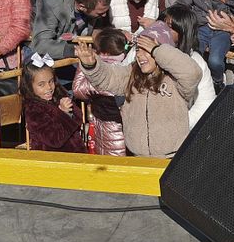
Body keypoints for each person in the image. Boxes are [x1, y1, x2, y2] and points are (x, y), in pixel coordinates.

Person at [73, 27, 200, 157]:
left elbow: (192, 72)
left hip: (172, 157)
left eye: (147, 50)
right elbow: (109, 77)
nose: (139, 55)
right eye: (138, 50)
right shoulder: (131, 74)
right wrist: (91, 65)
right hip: (137, 157)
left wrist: (157, 50)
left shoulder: (176, 80)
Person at [72, 27, 129, 156]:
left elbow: (79, 89)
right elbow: (78, 89)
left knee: (114, 161)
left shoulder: (122, 67)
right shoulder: (126, 65)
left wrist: (96, 82)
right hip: (107, 123)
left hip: (113, 125)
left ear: (104, 52)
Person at [22, 52, 87, 152]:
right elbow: (55, 139)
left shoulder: (58, 95)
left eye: (51, 81)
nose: (49, 87)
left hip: (76, 153)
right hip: (53, 160)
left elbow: (78, 115)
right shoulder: (33, 110)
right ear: (29, 86)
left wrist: (69, 111)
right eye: (41, 85)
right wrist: (64, 114)